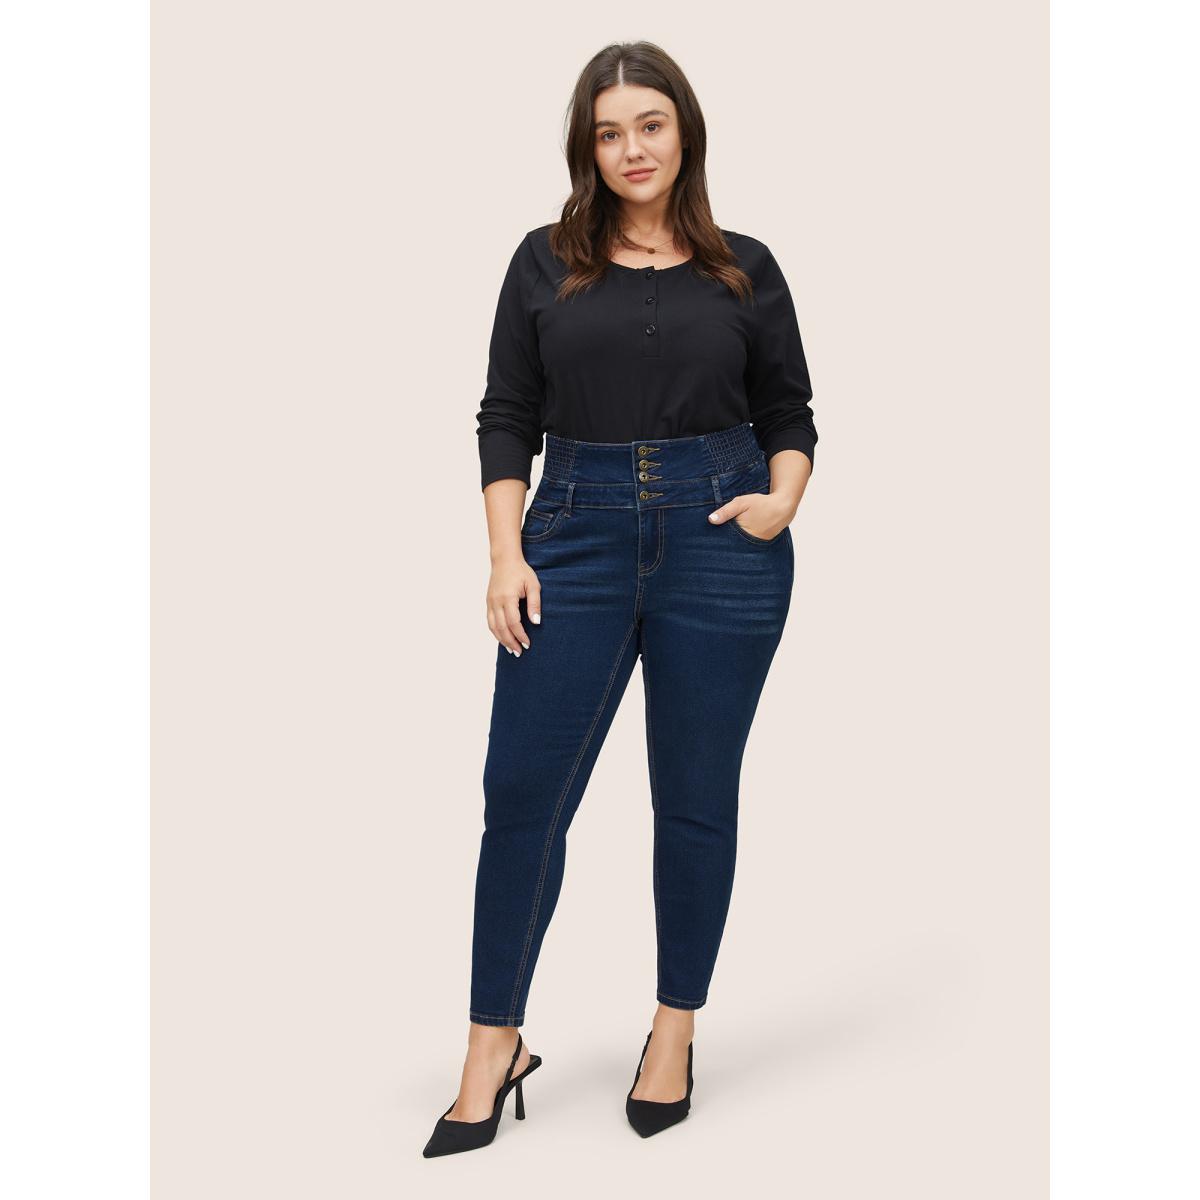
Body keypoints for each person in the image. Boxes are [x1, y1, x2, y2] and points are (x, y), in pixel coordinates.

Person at [423, 40, 817, 1157]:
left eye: (651, 124)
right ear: (586, 149)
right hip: (574, 536)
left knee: (694, 798)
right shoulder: (545, 263)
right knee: (522, 795)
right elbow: (507, 413)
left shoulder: (744, 268)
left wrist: (782, 500)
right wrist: (506, 555)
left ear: (683, 131)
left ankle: (673, 1029)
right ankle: (493, 1045)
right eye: (609, 132)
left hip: (721, 540)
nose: (632, 148)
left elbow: (789, 412)